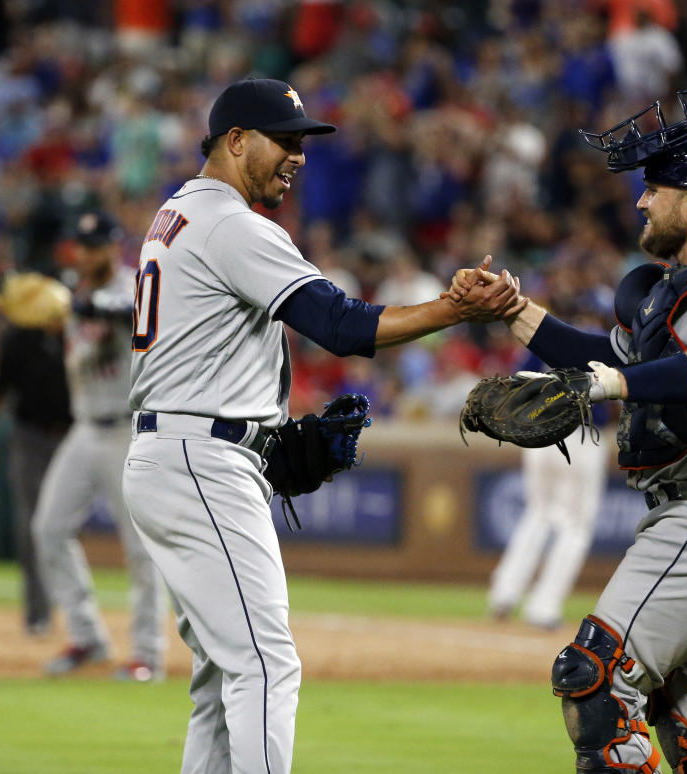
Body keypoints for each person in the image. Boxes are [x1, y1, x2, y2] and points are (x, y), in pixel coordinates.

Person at [121, 77, 525, 774]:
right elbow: (339, 326)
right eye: (285, 140)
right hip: (198, 459)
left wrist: (260, 432)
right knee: (267, 665)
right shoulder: (232, 223)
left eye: (304, 142)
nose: (299, 156)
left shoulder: (178, 213)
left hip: (184, 450)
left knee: (225, 677)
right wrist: (454, 311)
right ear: (236, 141)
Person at [451, 90, 687, 774]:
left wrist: (612, 387)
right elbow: (605, 357)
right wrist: (513, 313)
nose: (641, 202)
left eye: (655, 189)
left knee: (595, 679)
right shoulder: (682, 288)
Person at [32, 211, 168, 680]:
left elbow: (131, 316)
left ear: (113, 247)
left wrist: (78, 310)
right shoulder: (72, 293)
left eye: (95, 246)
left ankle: (147, 653)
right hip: (84, 427)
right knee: (48, 529)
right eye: (82, 246)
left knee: (140, 546)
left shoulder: (134, 284)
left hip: (128, 431)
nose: (86, 254)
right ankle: (87, 636)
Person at [0, 298, 72, 634]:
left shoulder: (81, 331)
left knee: (60, 526)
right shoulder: (18, 339)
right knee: (32, 526)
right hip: (30, 438)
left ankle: (73, 612)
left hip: (77, 436)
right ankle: (39, 613)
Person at [487, 353, 610, 631]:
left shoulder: (543, 339)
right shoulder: (599, 341)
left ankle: (504, 593)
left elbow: (515, 381)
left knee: (538, 514)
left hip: (540, 432)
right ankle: (544, 607)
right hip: (582, 435)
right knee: (575, 527)